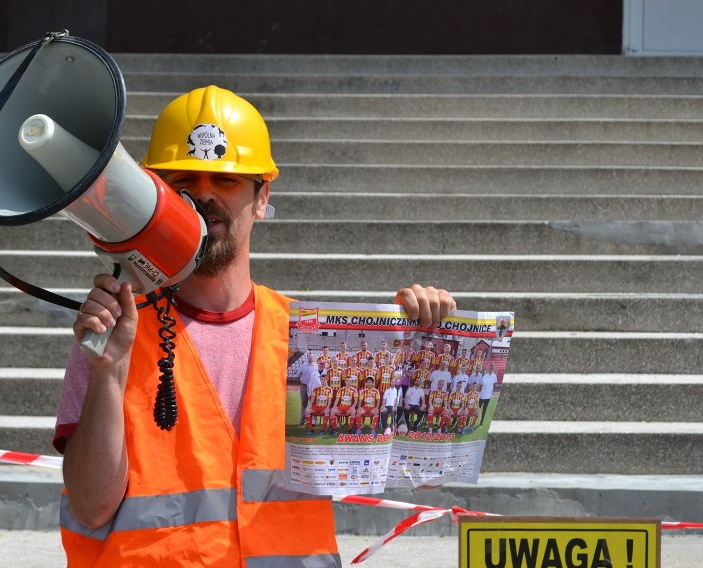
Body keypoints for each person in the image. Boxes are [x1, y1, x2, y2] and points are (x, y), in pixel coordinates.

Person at [53, 85, 457, 567]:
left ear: (261, 196)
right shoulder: (114, 332)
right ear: (154, 194)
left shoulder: (313, 338)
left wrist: (426, 350)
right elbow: (92, 505)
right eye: (185, 179)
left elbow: (423, 473)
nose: (203, 194)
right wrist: (108, 371)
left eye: (225, 181)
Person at [297, 351, 323, 425]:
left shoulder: (316, 366)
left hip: (313, 388)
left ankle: (313, 421)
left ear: (313, 358)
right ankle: (301, 422)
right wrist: (302, 382)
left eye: (312, 357)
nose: (311, 358)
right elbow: (297, 375)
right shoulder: (303, 366)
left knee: (314, 404)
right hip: (304, 386)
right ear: (307, 357)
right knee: (304, 404)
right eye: (309, 356)